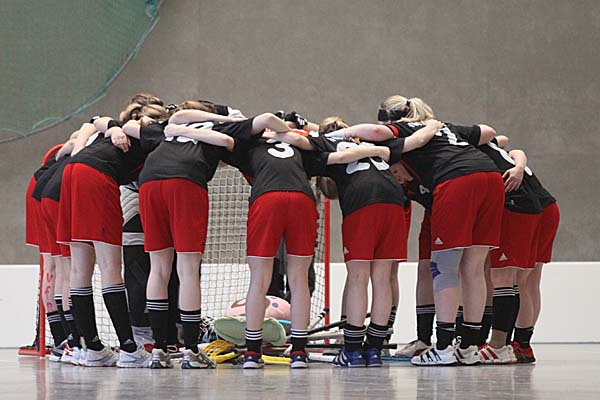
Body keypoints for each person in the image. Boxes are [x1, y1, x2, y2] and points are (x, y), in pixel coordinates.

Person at [272, 116, 441, 367]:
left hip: (363, 200)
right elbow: (415, 141)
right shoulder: (370, 140)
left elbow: (297, 139)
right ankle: (374, 349)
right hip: (395, 200)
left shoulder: (324, 142)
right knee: (382, 278)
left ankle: (352, 350)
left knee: (358, 277)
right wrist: (433, 124)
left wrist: (271, 134)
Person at [376, 95, 502, 366]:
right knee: (474, 269)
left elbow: (372, 133)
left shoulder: (402, 131)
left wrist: (339, 134)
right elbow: (490, 133)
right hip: (491, 179)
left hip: (456, 182)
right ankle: (469, 347)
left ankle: (443, 347)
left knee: (443, 268)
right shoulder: (445, 127)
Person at [57, 103, 166, 367]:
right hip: (96, 176)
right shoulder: (153, 133)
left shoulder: (127, 132)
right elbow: (100, 119)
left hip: (72, 173)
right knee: (110, 267)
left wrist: (113, 128)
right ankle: (129, 349)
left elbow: (96, 120)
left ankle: (92, 348)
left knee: (79, 269)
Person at [477, 137, 559, 363]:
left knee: (510, 279)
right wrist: (520, 166)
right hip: (547, 206)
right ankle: (522, 344)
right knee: (528, 281)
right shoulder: (494, 149)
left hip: (523, 209)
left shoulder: (473, 155)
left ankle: (503, 344)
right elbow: (509, 143)